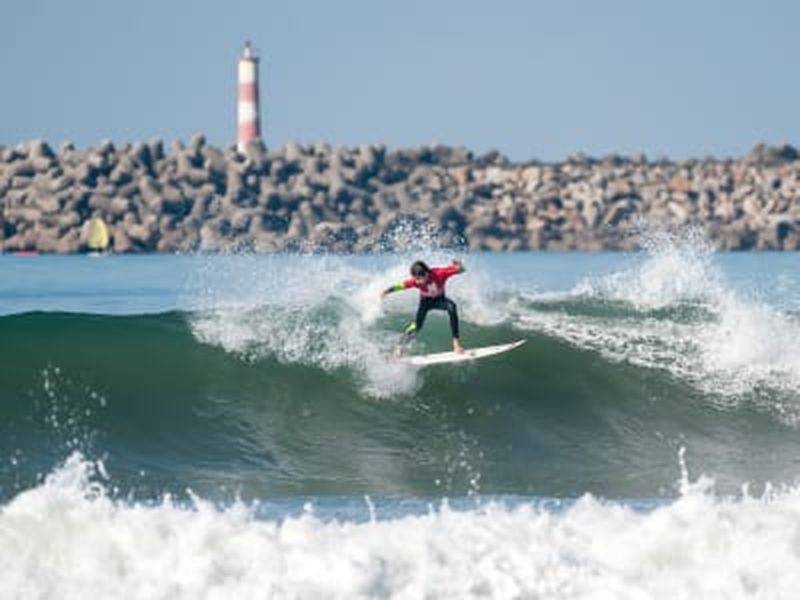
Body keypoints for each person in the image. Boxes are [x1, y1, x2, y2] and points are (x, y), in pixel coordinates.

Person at [381, 259, 465, 353]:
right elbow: (400, 286)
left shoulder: (440, 273)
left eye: (419, 279)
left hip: (440, 300)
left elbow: (461, 270)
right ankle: (399, 348)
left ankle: (456, 343)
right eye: (415, 278)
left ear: (426, 273)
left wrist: (460, 266)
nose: (417, 282)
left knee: (452, 307)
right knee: (417, 325)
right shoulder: (415, 281)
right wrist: (387, 291)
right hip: (425, 302)